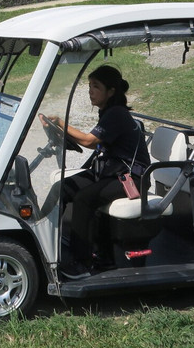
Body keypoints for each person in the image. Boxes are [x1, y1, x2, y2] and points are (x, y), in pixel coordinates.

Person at [39, 65, 148, 278]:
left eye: (96, 86)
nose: (91, 91)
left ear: (111, 91)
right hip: (110, 172)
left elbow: (89, 141)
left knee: (83, 199)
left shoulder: (117, 114)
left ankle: (82, 263)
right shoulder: (108, 111)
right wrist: (55, 128)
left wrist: (61, 122)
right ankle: (42, 239)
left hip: (132, 179)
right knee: (62, 187)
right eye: (89, 86)